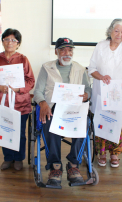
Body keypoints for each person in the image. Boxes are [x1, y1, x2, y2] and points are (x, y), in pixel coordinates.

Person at [33, 37, 91, 187]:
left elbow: (88, 89)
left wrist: (87, 95)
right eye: (63, 50)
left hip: (74, 109)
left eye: (70, 50)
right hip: (53, 108)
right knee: (48, 122)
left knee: (84, 124)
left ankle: (73, 164)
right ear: (56, 52)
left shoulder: (80, 68)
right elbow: (38, 91)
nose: (67, 53)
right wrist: (43, 102)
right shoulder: (46, 67)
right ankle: (55, 167)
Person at [88, 19, 122, 168]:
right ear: (110, 31)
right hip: (101, 92)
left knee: (117, 122)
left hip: (119, 94)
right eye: (117, 31)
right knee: (102, 120)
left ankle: (114, 153)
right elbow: (91, 69)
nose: (119, 34)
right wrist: (102, 77)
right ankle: (101, 153)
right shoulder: (101, 46)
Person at [0, 28, 35, 171]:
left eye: (13, 40)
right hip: (1, 102)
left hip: (20, 104)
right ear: (2, 42)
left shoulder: (23, 59)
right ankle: (8, 158)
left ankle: (18, 159)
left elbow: (31, 81)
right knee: (5, 130)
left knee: (19, 133)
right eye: (7, 39)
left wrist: (19, 89)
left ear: (18, 44)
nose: (10, 42)